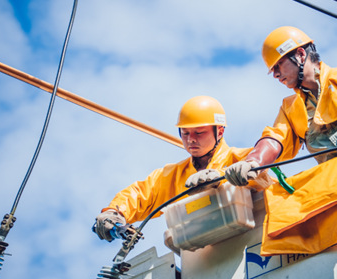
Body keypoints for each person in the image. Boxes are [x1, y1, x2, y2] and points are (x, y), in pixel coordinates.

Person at [223, 26, 337, 187]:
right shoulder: (290, 107)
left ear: (300, 54)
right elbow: (275, 138)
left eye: (278, 65)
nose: (275, 74)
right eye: (272, 69)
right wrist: (253, 162)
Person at [92, 95, 255, 242]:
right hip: (201, 256)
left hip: (250, 241)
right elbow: (141, 193)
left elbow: (262, 178)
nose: (191, 140)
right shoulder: (174, 176)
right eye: (185, 133)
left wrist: (220, 177)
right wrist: (114, 212)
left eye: (198, 133)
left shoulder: (243, 158)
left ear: (219, 131)